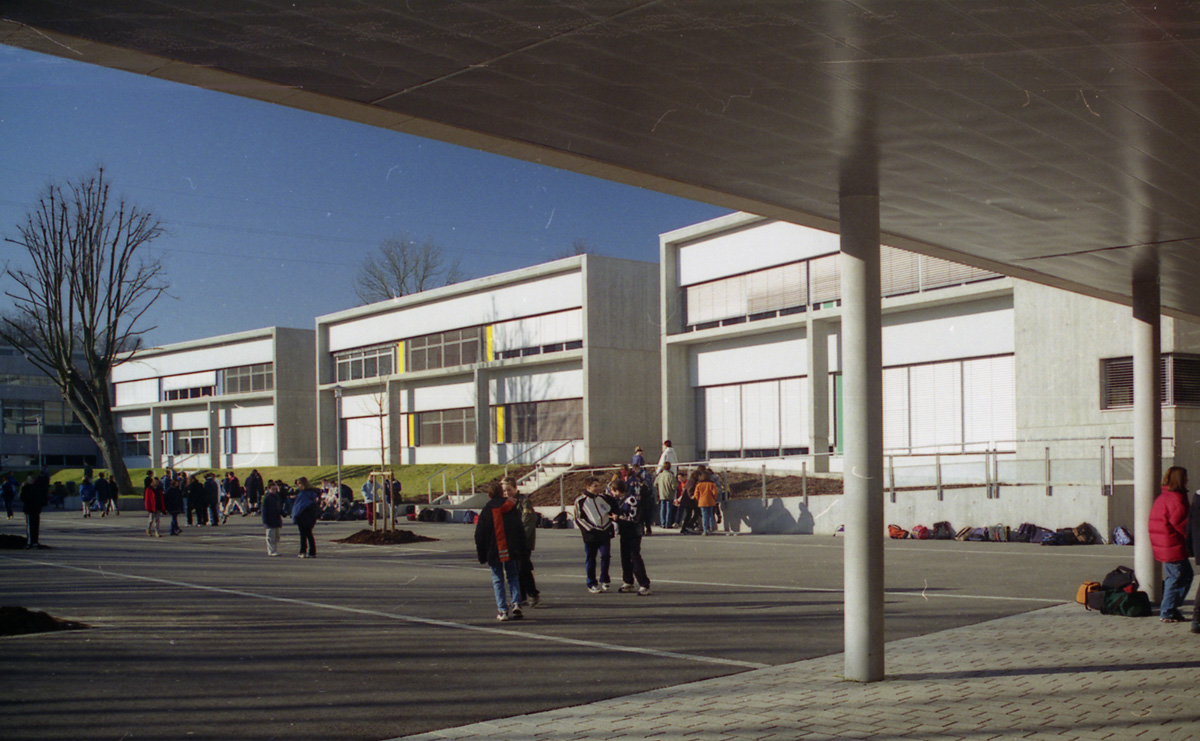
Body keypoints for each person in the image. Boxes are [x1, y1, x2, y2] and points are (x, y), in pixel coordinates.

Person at [474, 481, 526, 621]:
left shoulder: (486, 510)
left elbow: (479, 534)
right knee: (513, 576)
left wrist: (481, 554)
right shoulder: (511, 506)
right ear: (502, 493)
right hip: (511, 548)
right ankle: (516, 602)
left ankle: (502, 610)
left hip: (494, 549)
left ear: (489, 495)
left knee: (498, 579)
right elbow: (519, 528)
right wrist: (522, 547)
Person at [1150, 466, 1192, 623]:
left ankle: (1171, 608)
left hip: (1165, 544)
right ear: (1180, 480)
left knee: (1181, 576)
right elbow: (1183, 524)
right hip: (1173, 545)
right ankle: (1167, 610)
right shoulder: (1177, 499)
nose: (1187, 480)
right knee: (1176, 578)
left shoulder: (1164, 497)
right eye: (1185, 477)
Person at [573, 476, 616, 593]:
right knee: (591, 559)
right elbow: (578, 518)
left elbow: (615, 508)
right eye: (595, 486)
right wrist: (590, 529)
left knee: (606, 555)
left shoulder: (604, 498)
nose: (598, 488)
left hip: (605, 531)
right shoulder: (580, 501)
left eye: (598, 485)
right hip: (591, 534)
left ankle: (605, 579)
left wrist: (614, 517)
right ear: (588, 487)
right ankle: (591, 583)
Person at [503, 476, 540, 607]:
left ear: (515, 488)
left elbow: (528, 522)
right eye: (504, 491)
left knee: (523, 567)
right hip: (510, 542)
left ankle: (532, 593)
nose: (507, 493)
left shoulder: (523, 502)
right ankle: (521, 595)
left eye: (509, 490)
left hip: (523, 541)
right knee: (515, 569)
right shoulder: (504, 503)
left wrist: (520, 539)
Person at [611, 478, 652, 595]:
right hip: (624, 532)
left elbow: (633, 519)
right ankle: (628, 581)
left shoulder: (631, 500)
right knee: (625, 557)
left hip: (633, 533)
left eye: (613, 491)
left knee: (635, 557)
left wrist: (618, 518)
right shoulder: (620, 500)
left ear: (616, 490)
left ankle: (644, 584)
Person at [292, 477, 320, 558]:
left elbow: (298, 507)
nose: (298, 486)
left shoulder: (303, 494)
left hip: (303, 516)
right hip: (311, 516)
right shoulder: (312, 493)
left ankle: (302, 551)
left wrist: (295, 516)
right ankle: (312, 552)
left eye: (299, 484)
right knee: (309, 534)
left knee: (303, 535)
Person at [20, 474, 47, 549]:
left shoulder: (25, 487)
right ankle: (34, 542)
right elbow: (42, 497)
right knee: (35, 526)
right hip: (35, 509)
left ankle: (30, 542)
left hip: (29, 509)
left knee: (30, 526)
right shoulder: (38, 487)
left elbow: (22, 497)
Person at [694, 469, 720, 535]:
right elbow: (715, 492)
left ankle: (705, 530)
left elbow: (696, 494)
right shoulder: (712, 484)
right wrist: (713, 498)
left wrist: (699, 499)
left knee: (704, 515)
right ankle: (711, 527)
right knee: (711, 514)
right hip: (710, 501)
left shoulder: (699, 484)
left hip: (702, 502)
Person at [262, 481, 283, 556]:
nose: (274, 491)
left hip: (276, 519)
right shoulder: (266, 498)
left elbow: (279, 508)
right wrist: (265, 521)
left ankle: (274, 549)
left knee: (276, 537)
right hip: (269, 520)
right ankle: (271, 551)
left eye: (275, 489)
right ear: (268, 489)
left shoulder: (276, 497)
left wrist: (283, 513)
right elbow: (264, 510)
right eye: (273, 489)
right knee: (270, 537)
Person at [655, 462, 678, 529]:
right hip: (669, 494)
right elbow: (674, 486)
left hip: (661, 494)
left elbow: (655, 484)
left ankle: (662, 523)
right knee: (668, 509)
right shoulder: (671, 476)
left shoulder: (660, 475)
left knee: (662, 508)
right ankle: (668, 523)